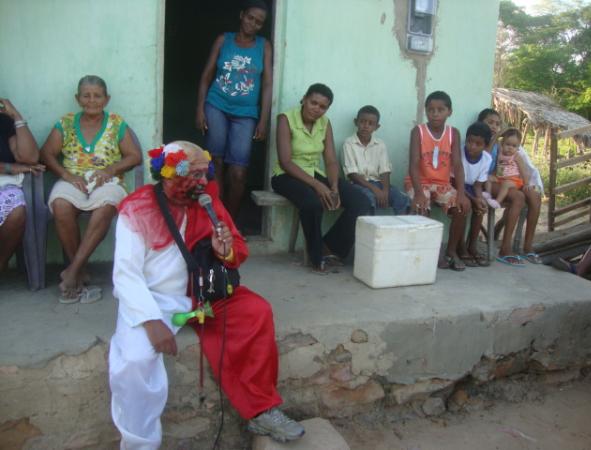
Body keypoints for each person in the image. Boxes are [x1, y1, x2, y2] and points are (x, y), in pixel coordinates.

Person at [109, 141, 304, 449]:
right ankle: (139, 444)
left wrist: (223, 251)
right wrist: (150, 320)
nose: (201, 182)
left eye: (205, 173)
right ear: (167, 173)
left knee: (256, 311)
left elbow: (238, 248)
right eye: (192, 173)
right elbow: (125, 274)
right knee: (133, 361)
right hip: (153, 300)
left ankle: (261, 409)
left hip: (202, 296)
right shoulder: (137, 208)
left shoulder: (208, 202)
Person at [40, 75, 142, 303]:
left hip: (108, 181)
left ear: (107, 99)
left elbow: (134, 156)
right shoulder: (66, 123)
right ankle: (80, 271)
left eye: (97, 96)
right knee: (60, 204)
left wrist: (111, 169)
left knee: (105, 207)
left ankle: (72, 271)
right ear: (78, 99)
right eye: (86, 95)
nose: (92, 100)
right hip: (73, 179)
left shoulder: (116, 123)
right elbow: (45, 153)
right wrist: (66, 174)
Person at [271, 83, 371, 273]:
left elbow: (331, 160)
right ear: (304, 99)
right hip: (286, 175)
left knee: (361, 202)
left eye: (322, 106)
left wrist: (333, 185)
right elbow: (285, 161)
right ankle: (316, 257)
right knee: (312, 203)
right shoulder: (286, 119)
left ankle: (331, 248)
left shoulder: (325, 123)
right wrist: (318, 185)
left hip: (315, 172)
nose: (317, 109)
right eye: (313, 103)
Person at [195, 0, 273, 221]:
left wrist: (263, 119)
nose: (253, 24)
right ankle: (216, 220)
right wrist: (199, 109)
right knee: (216, 162)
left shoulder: (263, 45)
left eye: (259, 22)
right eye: (250, 18)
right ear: (242, 15)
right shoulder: (224, 40)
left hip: (246, 113)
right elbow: (207, 76)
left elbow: (267, 84)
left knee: (238, 172)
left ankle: (230, 221)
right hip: (216, 104)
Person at [405, 91, 470, 271]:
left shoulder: (453, 134)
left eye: (440, 110)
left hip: (442, 184)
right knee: (420, 208)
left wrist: (462, 194)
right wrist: (418, 193)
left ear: (449, 112)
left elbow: (457, 165)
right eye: (431, 110)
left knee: (461, 207)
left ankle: (451, 252)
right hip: (418, 181)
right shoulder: (418, 132)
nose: (435, 113)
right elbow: (413, 164)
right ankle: (429, 254)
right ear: (426, 111)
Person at [478, 108, 543, 266]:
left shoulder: (509, 146)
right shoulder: (480, 141)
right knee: (518, 197)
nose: (494, 126)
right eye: (490, 122)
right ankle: (505, 248)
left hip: (507, 181)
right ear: (481, 123)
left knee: (534, 196)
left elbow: (521, 166)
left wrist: (528, 184)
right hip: (490, 181)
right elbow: (485, 159)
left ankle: (528, 246)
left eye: (497, 124)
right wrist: (495, 139)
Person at [0, 98, 45, 272]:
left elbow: (30, 158)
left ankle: (1, 263)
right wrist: (11, 167)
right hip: (7, 174)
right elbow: (19, 165)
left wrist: (16, 117)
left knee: (17, 211)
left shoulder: (3, 122)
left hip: (4, 184)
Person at [342, 105, 410, 215]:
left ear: (377, 127)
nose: (366, 126)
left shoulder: (380, 144)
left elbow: (385, 171)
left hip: (378, 183)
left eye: (370, 123)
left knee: (400, 197)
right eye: (362, 122)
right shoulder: (349, 143)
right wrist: (375, 190)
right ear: (356, 122)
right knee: (368, 199)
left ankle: (402, 228)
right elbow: (352, 175)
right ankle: (369, 230)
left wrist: (385, 191)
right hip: (357, 185)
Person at [456, 121, 493, 267]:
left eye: (478, 144)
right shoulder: (459, 152)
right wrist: (472, 199)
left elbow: (478, 185)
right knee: (465, 206)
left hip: (472, 188)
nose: (472, 146)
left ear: (485, 146)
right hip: (457, 186)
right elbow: (454, 181)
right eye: (470, 141)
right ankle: (461, 247)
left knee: (480, 209)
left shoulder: (486, 159)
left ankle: (472, 245)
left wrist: (479, 198)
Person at [488, 128, 529, 207]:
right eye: (508, 144)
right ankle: (488, 195)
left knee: (505, 184)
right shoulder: (500, 153)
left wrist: (526, 183)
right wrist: (499, 135)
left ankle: (497, 202)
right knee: (488, 178)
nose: (510, 148)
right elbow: (499, 141)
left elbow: (523, 171)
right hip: (500, 178)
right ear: (503, 144)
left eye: (514, 146)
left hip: (514, 180)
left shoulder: (516, 156)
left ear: (518, 147)